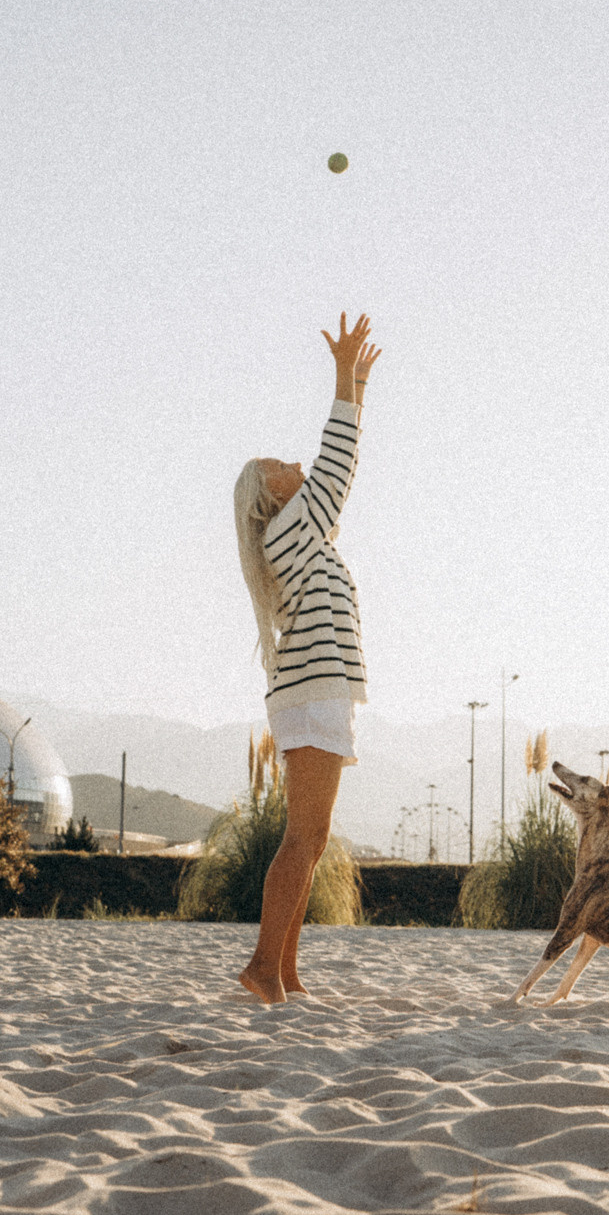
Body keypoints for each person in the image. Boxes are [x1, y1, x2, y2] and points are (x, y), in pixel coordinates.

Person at [231, 312, 381, 1004]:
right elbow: (336, 469)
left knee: (312, 839)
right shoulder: (286, 531)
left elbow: (330, 477)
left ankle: (284, 970)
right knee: (302, 838)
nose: (292, 464)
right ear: (274, 497)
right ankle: (265, 964)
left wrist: (355, 385)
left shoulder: (298, 538)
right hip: (314, 694)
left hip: (316, 692)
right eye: (279, 468)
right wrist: (345, 381)